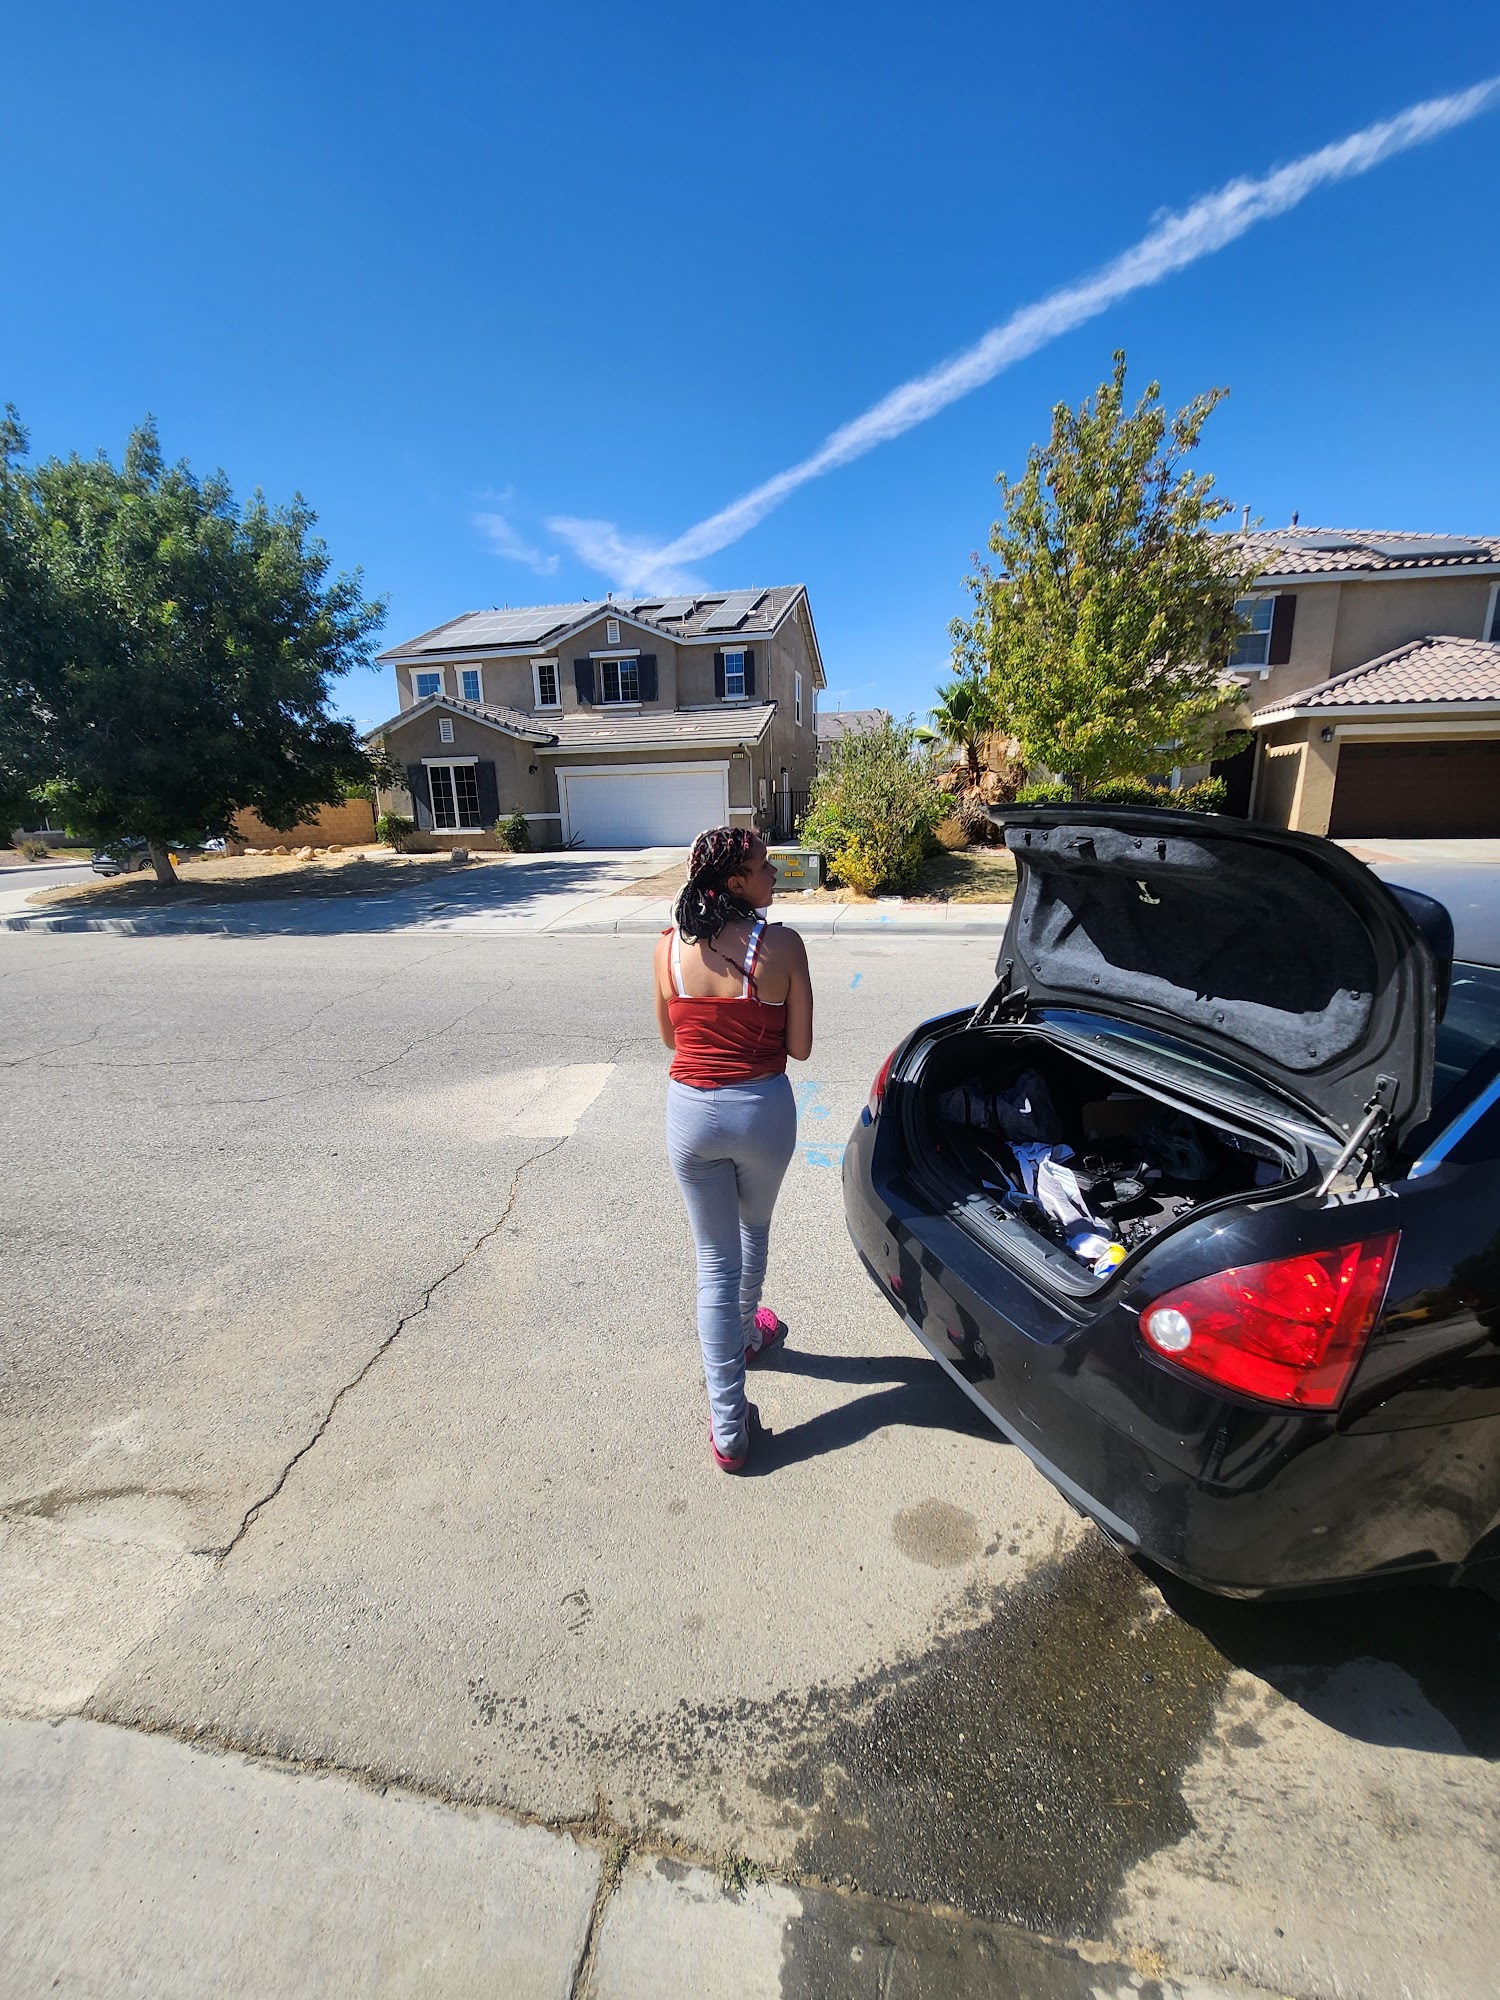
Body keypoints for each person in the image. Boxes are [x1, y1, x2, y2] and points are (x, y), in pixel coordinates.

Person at [654, 827, 814, 1472]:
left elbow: (672, 1039)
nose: (774, 872)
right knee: (755, 1228)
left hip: (691, 1114)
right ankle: (748, 1332)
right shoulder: (782, 945)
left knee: (713, 1264)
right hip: (761, 1112)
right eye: (762, 864)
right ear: (734, 881)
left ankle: (729, 1430)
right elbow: (800, 1047)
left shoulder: (667, 947)